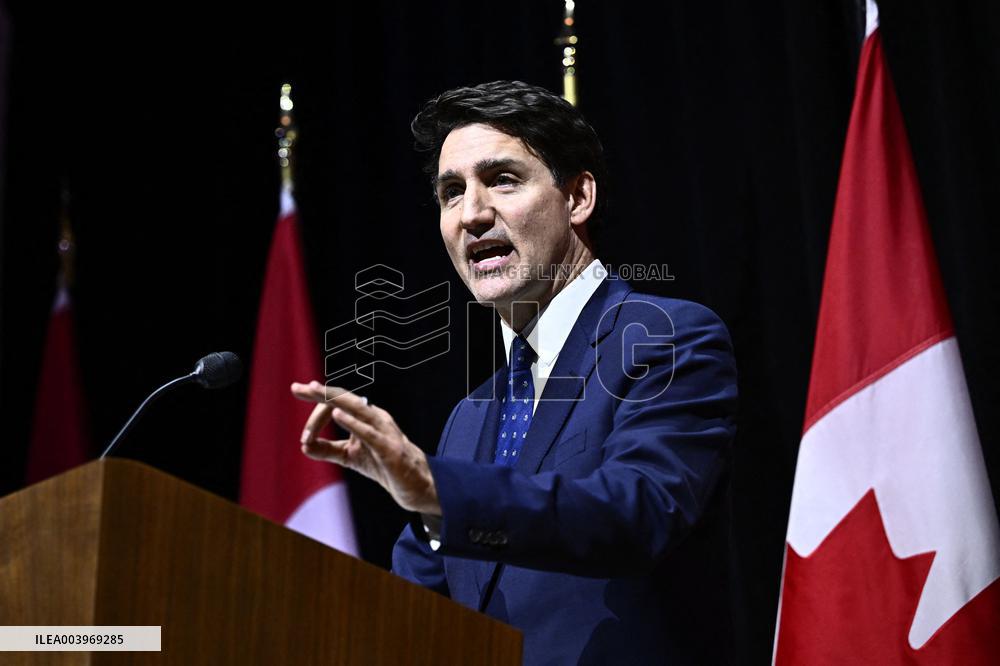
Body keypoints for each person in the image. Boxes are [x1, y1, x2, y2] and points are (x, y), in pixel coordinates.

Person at [291, 80, 738, 664]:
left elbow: (637, 512)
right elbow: (404, 609)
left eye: (501, 179)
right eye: (451, 192)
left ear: (578, 198)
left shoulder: (665, 338)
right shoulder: (470, 418)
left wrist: (436, 489)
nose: (472, 214)